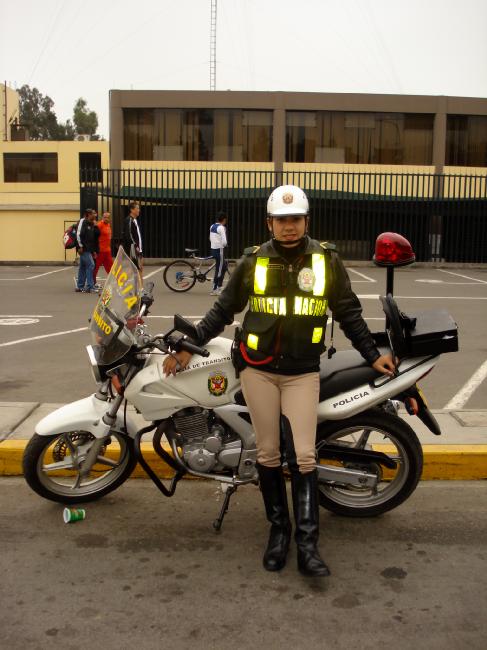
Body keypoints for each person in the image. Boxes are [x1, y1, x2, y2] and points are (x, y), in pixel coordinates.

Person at [162, 185, 395, 578]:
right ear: (270, 223)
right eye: (282, 220)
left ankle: (308, 546)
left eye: (296, 220)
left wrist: (374, 354)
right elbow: (223, 310)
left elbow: (348, 311)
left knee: (303, 456)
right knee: (268, 454)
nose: (289, 227)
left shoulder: (326, 260)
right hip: (258, 370)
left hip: (302, 371)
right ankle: (279, 532)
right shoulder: (253, 261)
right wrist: (191, 344)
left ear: (306, 222)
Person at [75, 209, 98, 293]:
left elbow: (92, 238)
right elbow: (78, 234)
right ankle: (90, 287)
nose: (95, 215)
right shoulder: (82, 221)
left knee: (83, 267)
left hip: (89, 249)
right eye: (93, 214)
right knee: (91, 265)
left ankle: (79, 286)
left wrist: (93, 251)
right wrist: (80, 246)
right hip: (83, 248)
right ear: (88, 214)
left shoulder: (91, 224)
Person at [209, 210, 228, 296]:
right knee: (219, 270)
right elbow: (224, 242)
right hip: (219, 250)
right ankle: (214, 289)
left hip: (213, 249)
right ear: (224, 219)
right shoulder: (221, 228)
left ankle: (219, 286)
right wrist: (225, 245)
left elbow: (210, 238)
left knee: (223, 266)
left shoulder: (212, 226)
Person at [122, 201, 143, 277]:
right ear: (132, 210)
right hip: (133, 249)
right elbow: (129, 235)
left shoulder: (135, 220)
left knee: (139, 269)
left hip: (138, 249)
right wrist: (135, 246)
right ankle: (135, 288)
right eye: (137, 208)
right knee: (134, 270)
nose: (139, 210)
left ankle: (140, 288)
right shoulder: (129, 220)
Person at [93, 211, 114, 289]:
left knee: (110, 267)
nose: (106, 218)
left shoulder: (108, 225)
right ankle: (93, 283)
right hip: (100, 251)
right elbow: (95, 236)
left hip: (107, 251)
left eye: (108, 217)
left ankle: (113, 282)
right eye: (105, 217)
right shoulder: (99, 225)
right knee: (95, 268)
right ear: (102, 217)